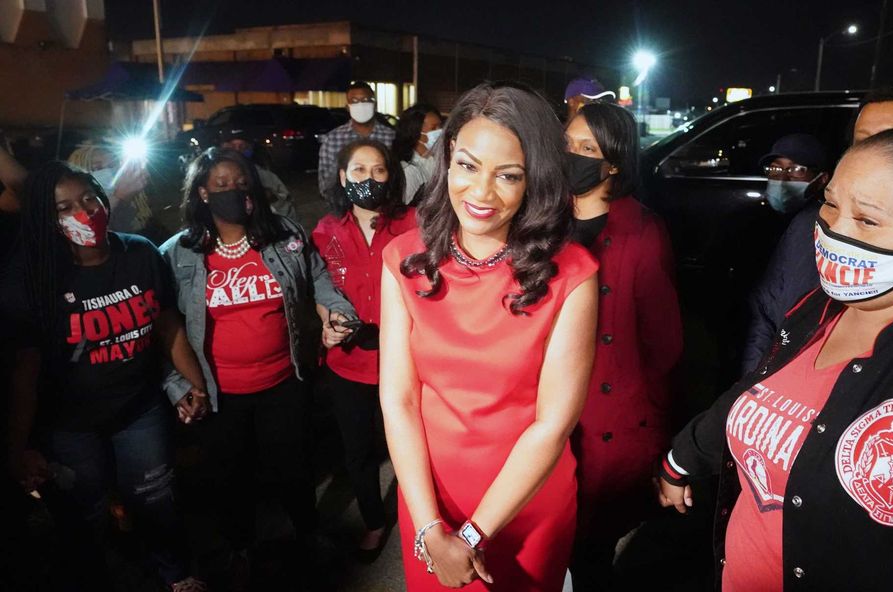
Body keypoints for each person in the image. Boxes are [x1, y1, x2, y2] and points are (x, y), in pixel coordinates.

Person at [659, 126, 893, 591]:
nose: (833, 230)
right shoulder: (822, 304)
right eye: (830, 204)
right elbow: (762, 389)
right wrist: (687, 454)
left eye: (867, 221)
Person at [380, 82, 599, 591]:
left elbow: (552, 424)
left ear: (533, 182)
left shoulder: (572, 275)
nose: (481, 193)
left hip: (526, 505)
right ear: (449, 157)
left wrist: (472, 536)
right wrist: (433, 528)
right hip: (428, 498)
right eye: (468, 166)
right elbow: (399, 400)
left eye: (508, 176)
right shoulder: (404, 260)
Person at [160, 148, 357, 586]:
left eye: (242, 183)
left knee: (293, 466)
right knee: (230, 478)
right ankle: (240, 549)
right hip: (218, 391)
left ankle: (307, 534)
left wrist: (335, 312)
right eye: (223, 185)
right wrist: (179, 387)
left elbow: (319, 279)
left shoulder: (282, 234)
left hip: (283, 381)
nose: (235, 191)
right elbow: (163, 327)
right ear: (202, 193)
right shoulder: (179, 254)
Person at [9, 161, 208, 591]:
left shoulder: (139, 253)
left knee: (156, 499)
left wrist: (195, 382)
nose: (83, 212)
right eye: (63, 208)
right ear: (47, 219)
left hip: (139, 410)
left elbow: (167, 325)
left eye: (89, 198)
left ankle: (175, 572)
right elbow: (25, 371)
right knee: (86, 513)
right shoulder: (36, 280)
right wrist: (19, 445)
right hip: (67, 428)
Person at [740, 84, 893, 374]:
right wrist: (756, 385)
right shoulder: (810, 225)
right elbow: (768, 312)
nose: (875, 157)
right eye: (864, 142)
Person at [562, 102, 683, 590]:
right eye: (566, 144)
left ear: (613, 162)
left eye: (587, 149)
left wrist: (660, 442)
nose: (572, 156)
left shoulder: (643, 232)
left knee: (588, 551)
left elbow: (663, 346)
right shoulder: (543, 220)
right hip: (543, 416)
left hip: (609, 422)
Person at [310, 138, 415, 561]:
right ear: (342, 176)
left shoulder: (416, 224)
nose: (368, 178)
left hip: (405, 360)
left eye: (378, 170)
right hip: (347, 362)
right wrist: (326, 322)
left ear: (391, 176)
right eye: (358, 170)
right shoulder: (325, 231)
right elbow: (322, 287)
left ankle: (420, 518)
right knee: (358, 450)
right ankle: (374, 521)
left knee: (413, 443)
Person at [318, 81, 396, 200]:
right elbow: (325, 183)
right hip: (345, 207)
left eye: (365, 100)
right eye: (354, 101)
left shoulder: (391, 137)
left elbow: (397, 177)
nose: (360, 104)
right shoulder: (333, 139)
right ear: (347, 107)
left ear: (374, 105)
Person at [67, 142, 155, 237]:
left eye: (112, 166)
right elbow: (92, 232)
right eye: (98, 168)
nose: (108, 172)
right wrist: (120, 196)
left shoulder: (148, 226)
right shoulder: (73, 225)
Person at [221, 131, 300, 223]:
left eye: (243, 146)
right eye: (232, 147)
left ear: (250, 148)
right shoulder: (212, 178)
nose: (237, 150)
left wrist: (272, 198)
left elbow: (289, 210)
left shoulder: (266, 176)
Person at [392, 103, 443, 204]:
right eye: (433, 128)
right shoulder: (407, 168)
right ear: (415, 132)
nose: (440, 131)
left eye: (440, 126)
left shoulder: (441, 157)